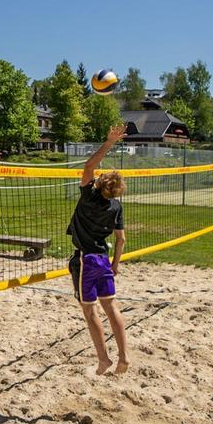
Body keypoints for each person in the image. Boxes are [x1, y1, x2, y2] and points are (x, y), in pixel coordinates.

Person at [67, 124, 129, 376]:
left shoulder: (89, 197)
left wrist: (109, 142)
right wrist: (115, 264)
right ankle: (124, 358)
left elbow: (88, 166)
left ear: (100, 185)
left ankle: (104, 359)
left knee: (90, 310)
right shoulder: (116, 206)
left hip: (86, 260)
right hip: (104, 260)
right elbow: (122, 239)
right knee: (112, 309)